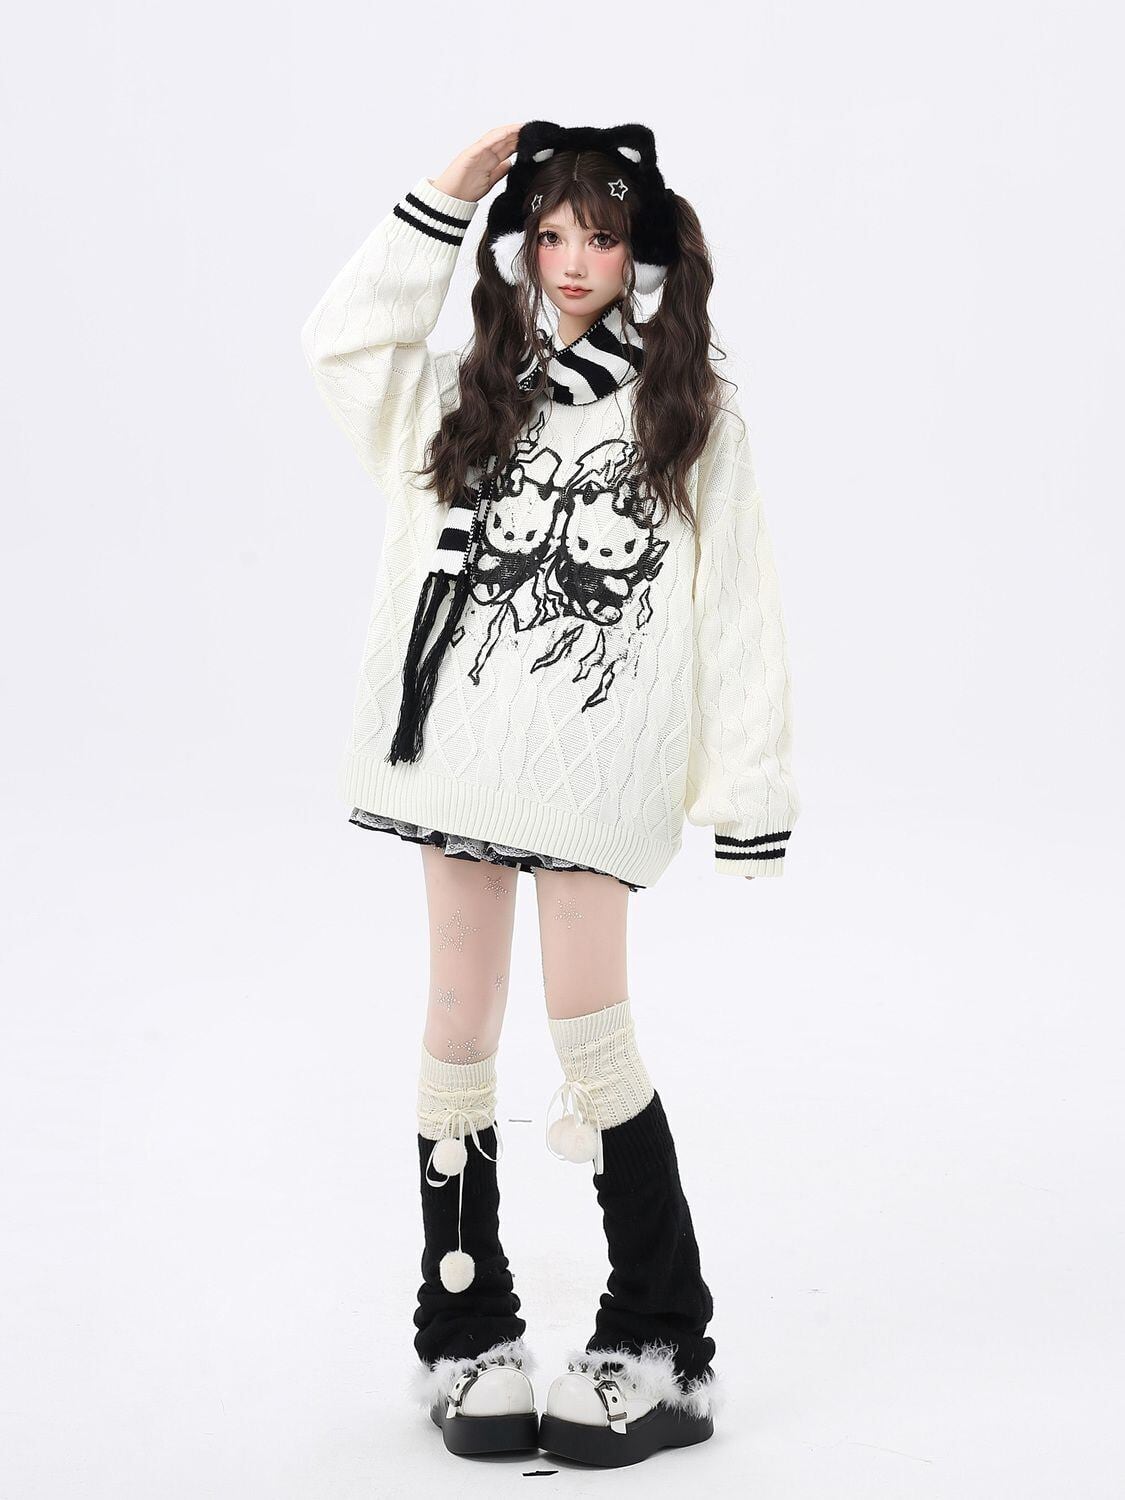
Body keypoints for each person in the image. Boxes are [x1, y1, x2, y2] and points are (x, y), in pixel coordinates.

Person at [300, 119, 801, 1469]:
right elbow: (339, 344)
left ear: (643, 253)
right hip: (457, 757)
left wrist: (747, 790)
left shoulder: (688, 417)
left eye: (603, 235)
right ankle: (465, 1330)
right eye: (552, 231)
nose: (573, 260)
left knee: (594, 1039)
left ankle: (662, 1339)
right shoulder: (462, 397)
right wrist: (445, 194)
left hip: (595, 771)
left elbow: (737, 613)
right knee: (456, 1029)